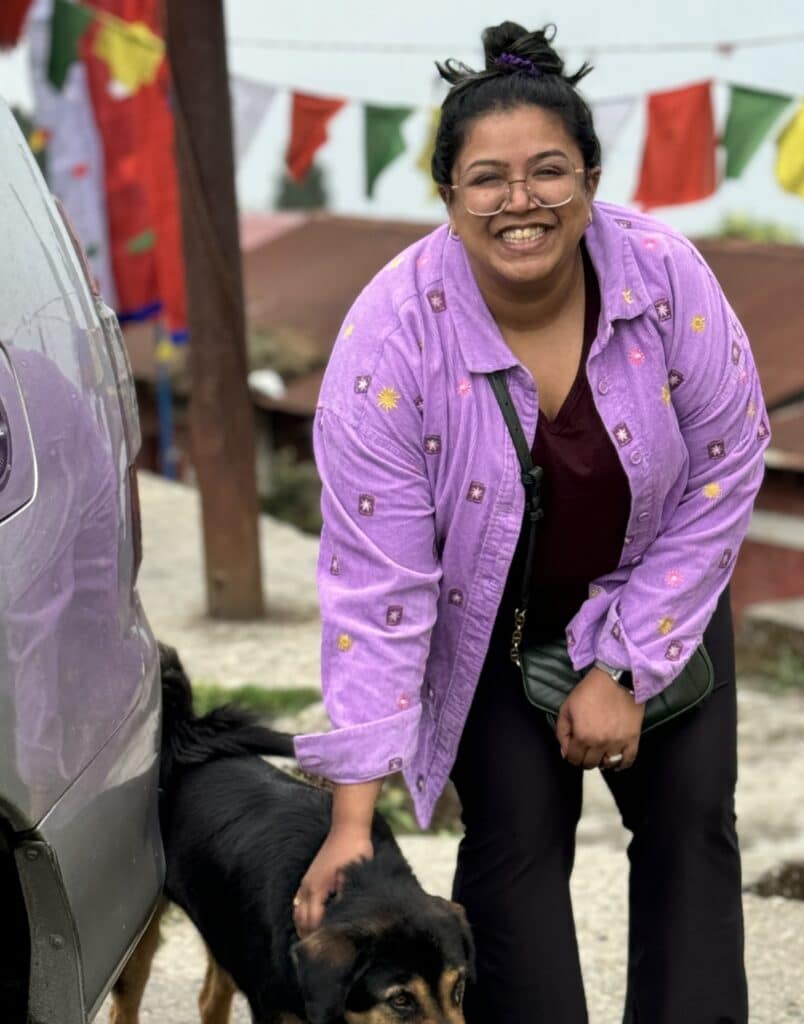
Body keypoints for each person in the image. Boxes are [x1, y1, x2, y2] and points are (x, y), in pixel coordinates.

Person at [292, 20, 769, 1023]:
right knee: (513, 857)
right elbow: (379, 585)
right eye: (488, 179)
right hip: (491, 637)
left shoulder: (665, 277)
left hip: (662, 602)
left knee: (691, 832)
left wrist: (625, 669)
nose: (522, 201)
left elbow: (727, 465)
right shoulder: (390, 340)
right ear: (447, 196)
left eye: (548, 171)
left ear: (590, 180)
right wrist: (352, 819)